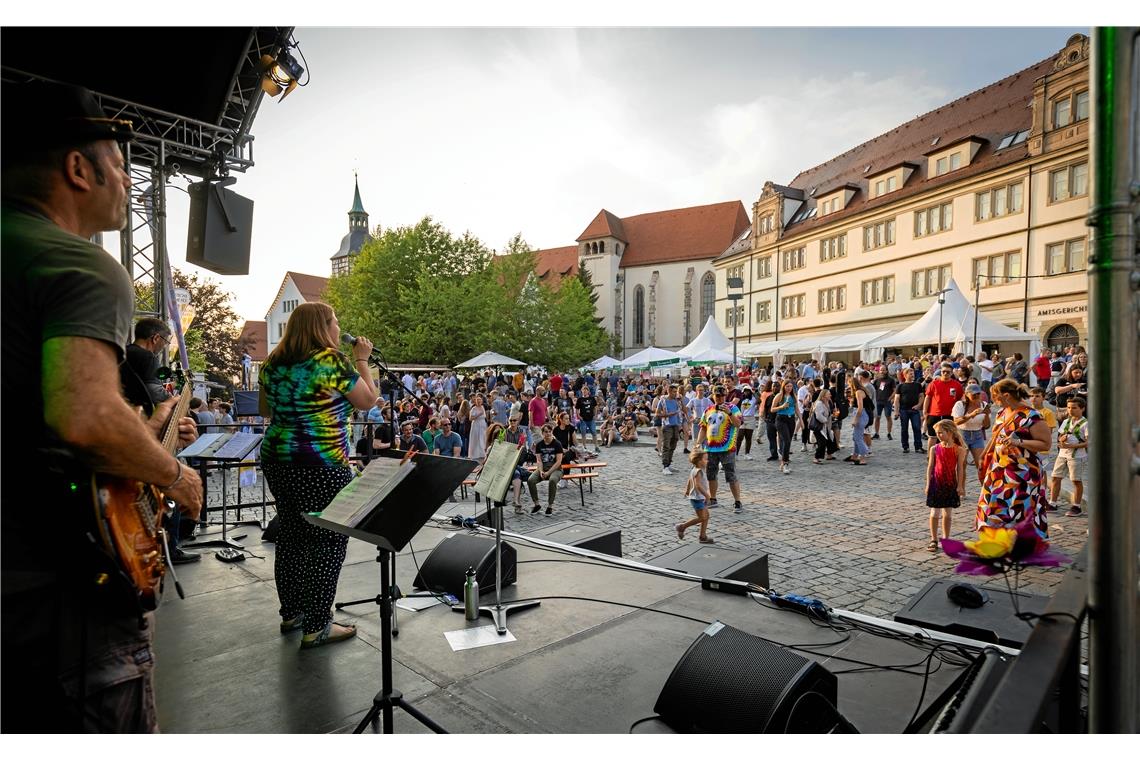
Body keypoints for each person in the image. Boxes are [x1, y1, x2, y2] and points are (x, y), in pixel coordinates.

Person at [1, 81, 204, 732]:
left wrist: (140, 434)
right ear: (77, 169)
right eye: (119, 165)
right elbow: (84, 418)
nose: (128, 181)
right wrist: (174, 472)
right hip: (55, 586)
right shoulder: (77, 264)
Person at [258, 302, 379, 649]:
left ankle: (292, 614)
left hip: (278, 458)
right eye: (336, 323)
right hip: (320, 462)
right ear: (322, 327)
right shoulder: (330, 362)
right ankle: (317, 626)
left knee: (292, 535)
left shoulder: (272, 364)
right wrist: (361, 360)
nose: (339, 330)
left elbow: (267, 410)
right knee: (328, 541)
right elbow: (367, 400)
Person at [976, 379, 1051, 538]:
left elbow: (1045, 444)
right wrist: (985, 456)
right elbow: (996, 437)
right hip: (999, 469)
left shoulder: (1032, 415)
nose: (993, 401)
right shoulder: (1002, 412)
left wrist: (1019, 442)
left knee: (1020, 507)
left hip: (1023, 473)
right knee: (995, 505)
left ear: (1007, 395)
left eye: (995, 397)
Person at [697, 387, 744, 513]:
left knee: (731, 475)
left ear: (726, 395)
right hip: (710, 448)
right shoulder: (708, 410)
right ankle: (713, 498)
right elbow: (703, 428)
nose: (720, 398)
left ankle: (737, 501)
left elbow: (738, 424)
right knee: (711, 474)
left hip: (727, 447)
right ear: (713, 396)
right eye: (717, 396)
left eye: (722, 396)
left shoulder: (733, 408)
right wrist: (697, 443)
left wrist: (729, 413)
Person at [925, 420, 968, 552]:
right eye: (937, 433)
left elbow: (960, 469)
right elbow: (930, 467)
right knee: (934, 513)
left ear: (949, 432)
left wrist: (960, 486)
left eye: (940, 433)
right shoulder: (934, 448)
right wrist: (928, 484)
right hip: (936, 483)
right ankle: (933, 539)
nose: (938, 435)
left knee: (947, 514)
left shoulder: (959, 450)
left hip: (950, 484)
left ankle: (946, 538)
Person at [1050, 397, 1088, 517]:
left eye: (1074, 408)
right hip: (1062, 454)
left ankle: (1076, 506)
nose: (1071, 410)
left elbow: (1089, 442)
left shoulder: (1086, 424)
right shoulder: (1066, 422)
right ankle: (1052, 503)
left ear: (1082, 409)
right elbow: (1061, 435)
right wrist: (1061, 439)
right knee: (1055, 477)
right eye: (1069, 407)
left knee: (1076, 480)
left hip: (1077, 456)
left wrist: (1072, 445)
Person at [952, 384, 991, 478]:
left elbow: (986, 426)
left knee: (981, 464)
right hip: (962, 435)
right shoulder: (960, 404)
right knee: (962, 464)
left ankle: (984, 490)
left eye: (978, 393)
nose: (977, 396)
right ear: (967, 394)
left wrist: (986, 415)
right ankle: (960, 488)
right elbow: (956, 421)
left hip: (977, 435)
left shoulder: (984, 405)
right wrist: (971, 415)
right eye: (974, 394)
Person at [677, 449, 714, 544]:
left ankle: (703, 536)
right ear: (699, 461)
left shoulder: (694, 469)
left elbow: (690, 480)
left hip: (698, 497)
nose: (707, 461)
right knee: (702, 517)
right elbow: (698, 485)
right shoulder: (699, 472)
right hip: (698, 498)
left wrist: (687, 489)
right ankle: (682, 527)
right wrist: (707, 496)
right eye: (705, 459)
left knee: (706, 516)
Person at [922, 362, 964, 447]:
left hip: (950, 415)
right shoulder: (934, 384)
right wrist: (925, 411)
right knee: (933, 437)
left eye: (948, 372)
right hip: (934, 414)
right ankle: (931, 456)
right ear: (940, 372)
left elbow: (960, 399)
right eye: (943, 371)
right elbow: (928, 397)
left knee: (949, 437)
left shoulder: (956, 385)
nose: (945, 373)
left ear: (951, 373)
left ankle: (947, 455)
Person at [528, 424, 564, 515]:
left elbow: (558, 462)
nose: (548, 434)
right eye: (546, 432)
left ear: (552, 432)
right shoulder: (539, 445)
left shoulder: (557, 444)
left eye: (549, 432)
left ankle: (550, 506)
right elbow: (539, 460)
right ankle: (536, 504)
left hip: (556, 469)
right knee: (530, 480)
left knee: (552, 480)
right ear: (542, 433)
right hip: (543, 468)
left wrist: (548, 472)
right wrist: (541, 471)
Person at [893, 368, 926, 454]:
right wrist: (896, 411)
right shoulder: (900, 386)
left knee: (917, 428)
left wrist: (919, 405)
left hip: (914, 410)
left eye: (913, 373)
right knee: (904, 429)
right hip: (903, 410)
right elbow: (896, 399)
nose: (912, 375)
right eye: (910, 373)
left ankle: (918, 447)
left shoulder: (918, 385)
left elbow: (921, 396)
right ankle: (905, 446)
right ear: (905, 375)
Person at [771, 380, 799, 474]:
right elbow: (772, 409)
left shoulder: (793, 396)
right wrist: (782, 407)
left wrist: (801, 421)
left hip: (791, 420)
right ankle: (785, 463)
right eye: (787, 386)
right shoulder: (779, 396)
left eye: (790, 386)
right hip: (781, 419)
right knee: (786, 440)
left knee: (788, 441)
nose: (789, 388)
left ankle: (783, 462)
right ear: (783, 387)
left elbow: (797, 409)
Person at [657, 384, 685, 474]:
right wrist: (668, 415)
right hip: (667, 425)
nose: (675, 393)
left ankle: (668, 464)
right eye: (673, 392)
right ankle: (665, 466)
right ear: (668, 391)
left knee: (673, 445)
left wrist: (681, 401)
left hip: (676, 425)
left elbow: (684, 410)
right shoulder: (663, 401)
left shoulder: (677, 401)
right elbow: (657, 414)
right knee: (666, 445)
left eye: (676, 392)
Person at [846, 376, 871, 466]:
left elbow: (860, 407)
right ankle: (855, 455)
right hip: (862, 414)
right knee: (856, 436)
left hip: (861, 415)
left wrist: (855, 420)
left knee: (858, 437)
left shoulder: (858, 392)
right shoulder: (862, 390)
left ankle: (863, 457)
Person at [810, 388, 838, 463]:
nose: (830, 395)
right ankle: (816, 457)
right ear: (824, 396)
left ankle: (829, 454)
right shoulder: (819, 404)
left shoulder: (827, 402)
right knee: (822, 442)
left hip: (826, 426)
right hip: (819, 427)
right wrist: (826, 420)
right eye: (829, 394)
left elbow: (828, 413)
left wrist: (832, 416)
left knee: (830, 439)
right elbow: (819, 416)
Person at [871, 368, 896, 441]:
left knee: (888, 417)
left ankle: (889, 433)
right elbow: (873, 390)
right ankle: (876, 433)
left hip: (887, 402)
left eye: (883, 370)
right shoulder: (877, 380)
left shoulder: (891, 380)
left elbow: (895, 390)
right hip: (878, 401)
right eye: (881, 370)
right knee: (877, 417)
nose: (882, 371)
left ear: (886, 371)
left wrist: (891, 398)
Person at [576, 385, 600, 453]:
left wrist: (595, 415)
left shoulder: (592, 398)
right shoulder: (579, 399)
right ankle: (584, 447)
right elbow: (577, 409)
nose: (585, 391)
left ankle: (596, 446)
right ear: (582, 391)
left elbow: (595, 407)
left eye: (586, 390)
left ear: (588, 391)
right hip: (583, 419)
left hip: (591, 418)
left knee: (594, 433)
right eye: (583, 390)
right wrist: (579, 416)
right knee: (583, 433)